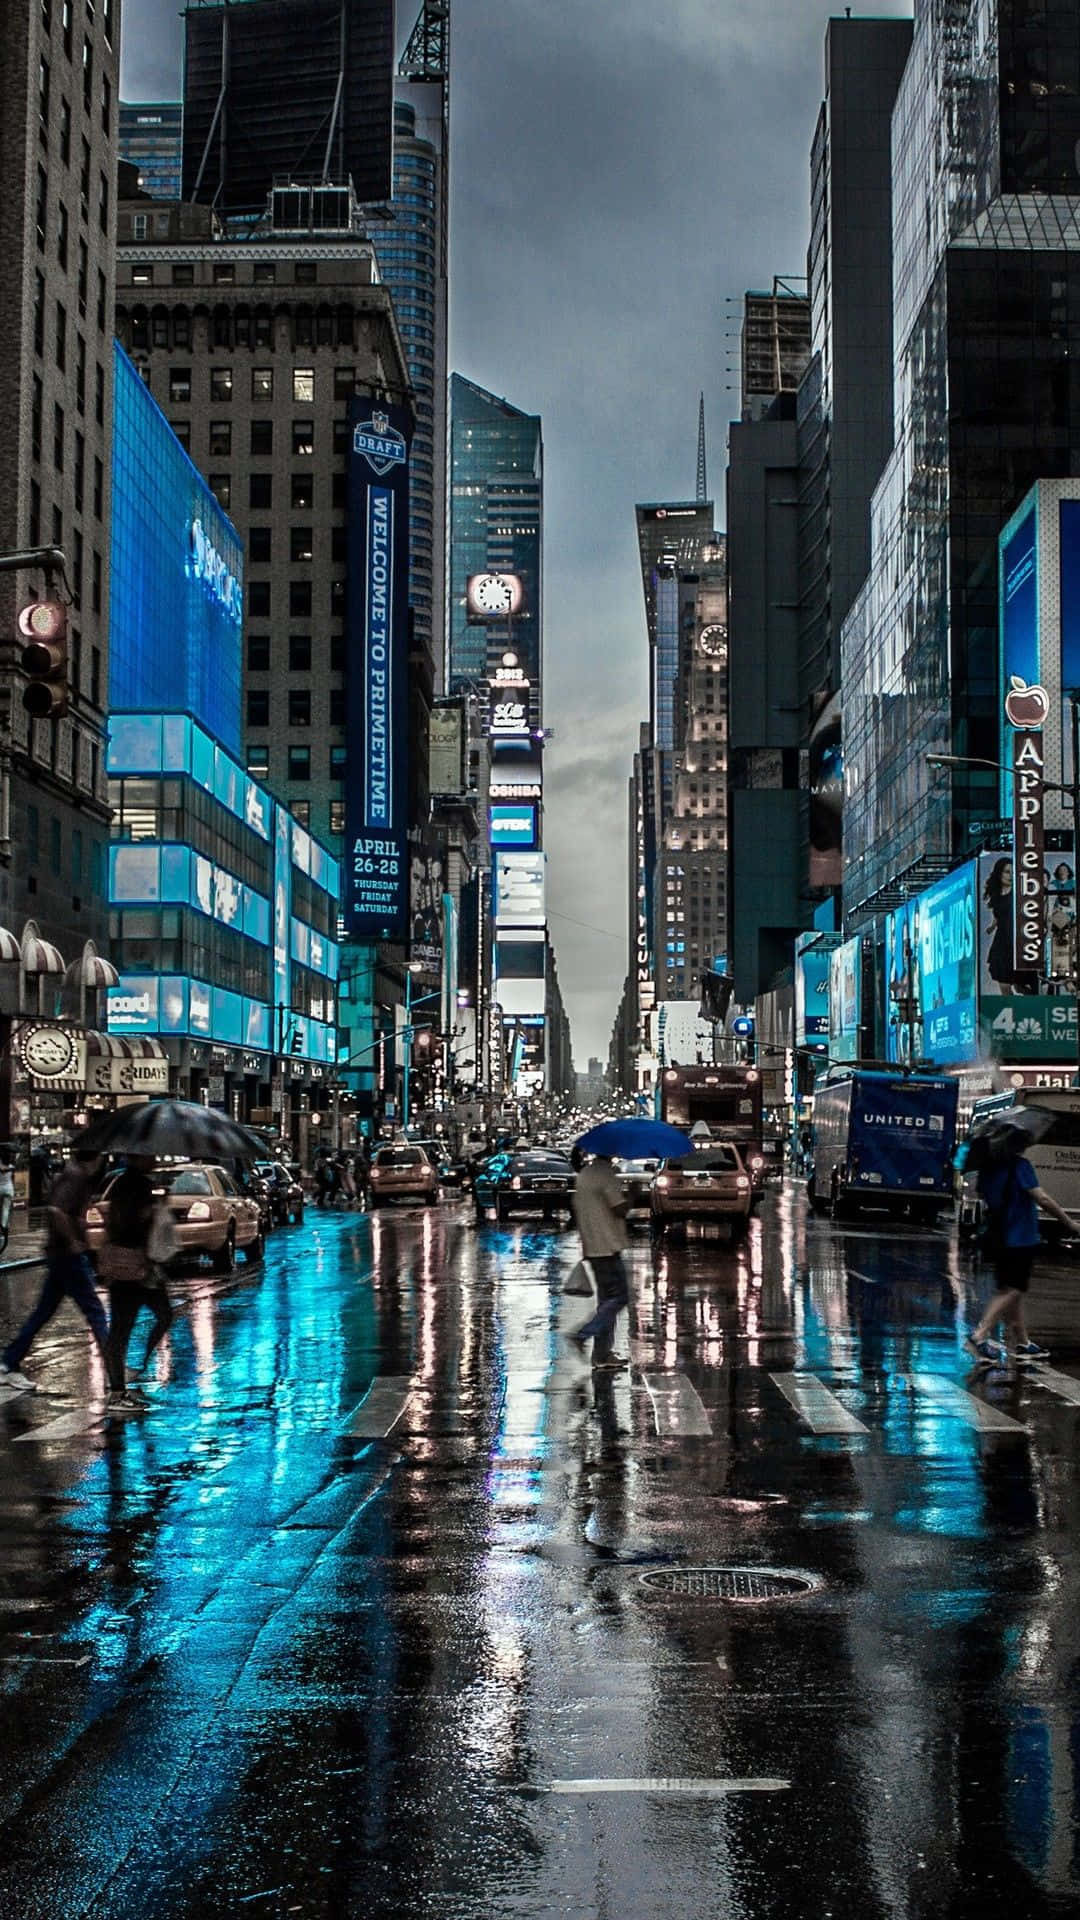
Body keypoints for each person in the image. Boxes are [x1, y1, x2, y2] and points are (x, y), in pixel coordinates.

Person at [0, 1146, 107, 1393]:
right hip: (68, 1256)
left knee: (43, 1312)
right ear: (96, 1156)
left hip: (61, 1255)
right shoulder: (76, 1176)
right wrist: (73, 1240)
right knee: (95, 1311)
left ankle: (9, 1362)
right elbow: (56, 1210)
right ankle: (114, 1366)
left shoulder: (73, 1175)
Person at [965, 1122, 1073, 1367]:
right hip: (1020, 1236)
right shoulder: (1020, 1166)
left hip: (998, 1237)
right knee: (1013, 1289)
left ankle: (1023, 1343)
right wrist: (1069, 1223)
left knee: (1010, 1289)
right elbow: (1042, 1198)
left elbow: (984, 1196)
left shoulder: (988, 1169)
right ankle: (979, 1336)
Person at [99, 1155, 175, 1410]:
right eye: (149, 1156)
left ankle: (134, 1369)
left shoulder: (136, 1183)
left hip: (142, 1266)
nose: (154, 1160)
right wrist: (152, 1212)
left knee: (162, 1315)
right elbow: (127, 1224)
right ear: (137, 1158)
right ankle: (118, 1391)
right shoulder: (130, 1185)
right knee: (122, 1327)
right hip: (131, 1266)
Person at [568, 1147, 631, 1371]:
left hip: (593, 1246)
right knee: (620, 1297)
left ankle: (602, 1355)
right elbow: (620, 1208)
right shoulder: (605, 1174)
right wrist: (632, 1194)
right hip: (607, 1247)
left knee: (607, 1303)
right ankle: (583, 1334)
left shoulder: (585, 1174)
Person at [0, 1149, 15, 1253]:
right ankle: (4, 1226)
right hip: (9, 1189)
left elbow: (1, 1169)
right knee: (5, 1209)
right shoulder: (11, 1166)